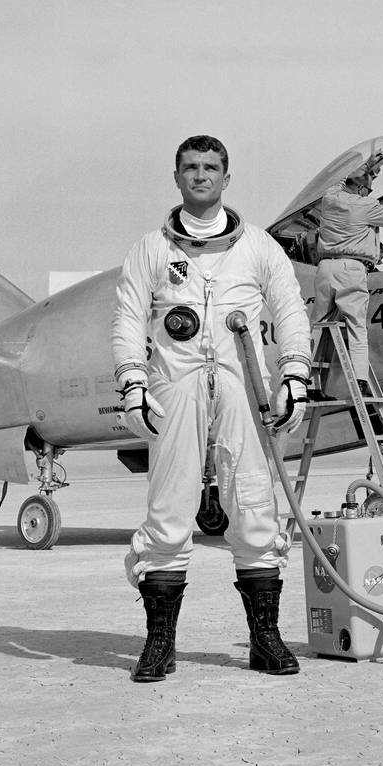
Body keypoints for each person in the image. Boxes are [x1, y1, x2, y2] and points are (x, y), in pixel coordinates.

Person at [111, 135, 313, 682]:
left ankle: (264, 641)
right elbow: (129, 316)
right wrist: (131, 381)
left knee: (252, 504)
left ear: (227, 178)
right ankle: (159, 644)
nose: (201, 176)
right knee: (168, 508)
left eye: (211, 167)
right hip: (174, 382)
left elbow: (291, 308)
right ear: (177, 178)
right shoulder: (151, 249)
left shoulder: (259, 248)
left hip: (241, 379)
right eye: (191, 168)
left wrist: (295, 374)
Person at [311, 164, 383, 397]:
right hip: (351, 268)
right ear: (362, 188)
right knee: (356, 327)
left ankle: (306, 382)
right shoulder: (365, 206)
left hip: (324, 268)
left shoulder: (329, 198)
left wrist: (367, 167)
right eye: (370, 182)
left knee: (315, 327)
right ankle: (360, 381)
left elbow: (340, 182)